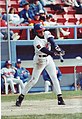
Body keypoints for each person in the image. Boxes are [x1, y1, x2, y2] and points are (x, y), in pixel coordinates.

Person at [16, 23, 65, 106]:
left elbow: (51, 41)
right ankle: (21, 97)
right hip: (40, 60)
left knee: (54, 77)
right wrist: (54, 53)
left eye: (42, 31)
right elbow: (44, 50)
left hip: (48, 59)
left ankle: (60, 98)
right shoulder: (36, 41)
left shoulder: (46, 33)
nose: (42, 33)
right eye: (39, 32)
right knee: (33, 81)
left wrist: (57, 48)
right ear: (36, 32)